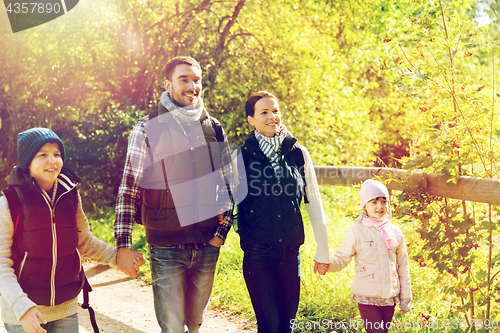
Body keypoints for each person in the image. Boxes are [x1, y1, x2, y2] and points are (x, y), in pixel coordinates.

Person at [114, 56, 234, 333]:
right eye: (184, 80)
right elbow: (129, 189)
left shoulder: (213, 128)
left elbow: (229, 183)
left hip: (206, 244)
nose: (192, 86)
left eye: (196, 80)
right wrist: (124, 244)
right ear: (168, 85)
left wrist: (220, 233)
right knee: (172, 327)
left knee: (195, 323)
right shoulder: (146, 128)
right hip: (165, 246)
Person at [0, 127, 144, 333]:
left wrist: (117, 257)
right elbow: (1, 265)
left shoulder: (70, 196)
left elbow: (84, 242)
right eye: (43, 155)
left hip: (65, 309)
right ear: (27, 162)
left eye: (57, 154)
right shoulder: (9, 204)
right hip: (24, 315)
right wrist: (22, 307)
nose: (52, 160)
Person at [237, 91, 331, 333]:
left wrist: (323, 250)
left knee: (286, 327)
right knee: (269, 326)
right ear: (251, 119)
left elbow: (314, 203)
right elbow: (228, 203)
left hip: (291, 254)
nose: (272, 117)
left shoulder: (298, 153)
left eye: (275, 111)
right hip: (258, 254)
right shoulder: (242, 155)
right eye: (264, 112)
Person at [326, 179, 412, 333]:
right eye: (374, 202)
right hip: (367, 297)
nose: (379, 206)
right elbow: (341, 257)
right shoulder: (356, 231)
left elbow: (403, 266)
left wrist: (405, 298)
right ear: (364, 205)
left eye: (383, 201)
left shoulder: (395, 232)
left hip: (389, 297)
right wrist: (327, 264)